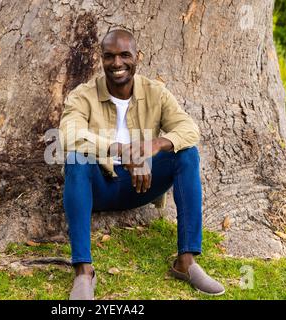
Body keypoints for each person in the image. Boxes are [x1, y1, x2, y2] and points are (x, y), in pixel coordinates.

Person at [58, 29, 225, 299]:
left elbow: (189, 129)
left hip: (142, 187)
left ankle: (186, 261)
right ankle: (83, 271)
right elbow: (68, 135)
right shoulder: (83, 95)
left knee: (187, 154)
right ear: (101, 59)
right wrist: (123, 151)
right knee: (76, 159)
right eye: (109, 56)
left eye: (125, 55)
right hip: (98, 187)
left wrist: (152, 146)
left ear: (138, 57)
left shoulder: (155, 92)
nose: (117, 63)